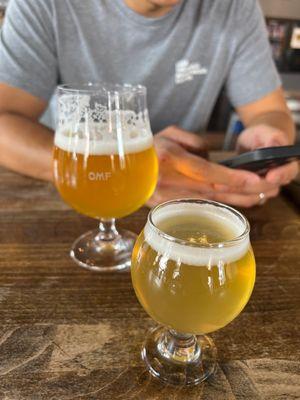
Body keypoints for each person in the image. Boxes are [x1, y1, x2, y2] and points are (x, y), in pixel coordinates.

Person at [0, 0, 298, 208]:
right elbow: (4, 121)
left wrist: (268, 138)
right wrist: (127, 173)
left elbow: (269, 111)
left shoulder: (235, 6)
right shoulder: (43, 5)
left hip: (187, 202)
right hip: (73, 201)